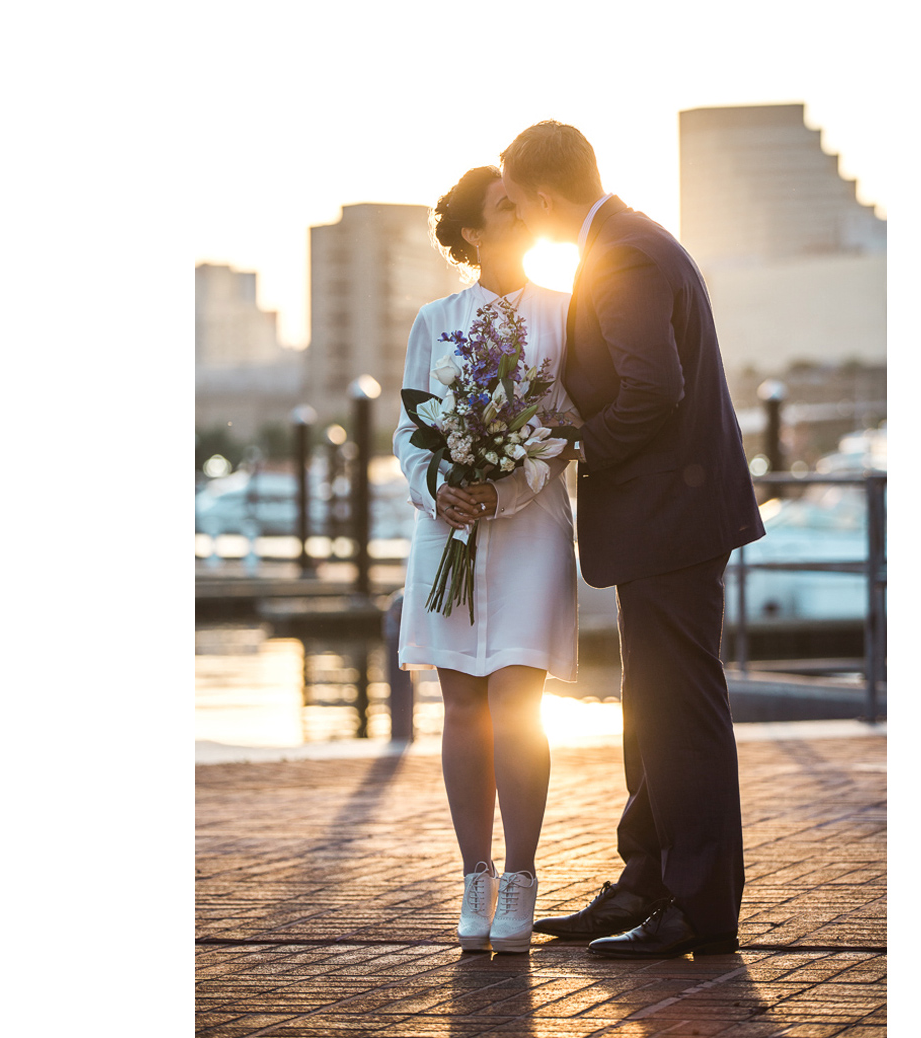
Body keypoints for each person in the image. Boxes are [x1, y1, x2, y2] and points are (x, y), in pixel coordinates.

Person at [499, 121, 765, 958]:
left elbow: (653, 389)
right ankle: (646, 883)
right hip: (669, 519)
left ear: (545, 196)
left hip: (670, 520)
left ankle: (700, 908)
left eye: (517, 201)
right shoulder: (630, 239)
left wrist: (577, 442)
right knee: (653, 709)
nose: (517, 216)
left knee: (680, 714)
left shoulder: (623, 254)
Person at [394, 165, 579, 954]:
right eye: (508, 206)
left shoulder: (568, 315)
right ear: (473, 230)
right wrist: (439, 486)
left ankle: (524, 874)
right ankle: (475, 873)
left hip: (530, 529)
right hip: (446, 531)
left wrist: (500, 493)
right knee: (463, 706)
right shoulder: (435, 318)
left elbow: (569, 428)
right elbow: (409, 432)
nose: (526, 212)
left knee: (517, 703)